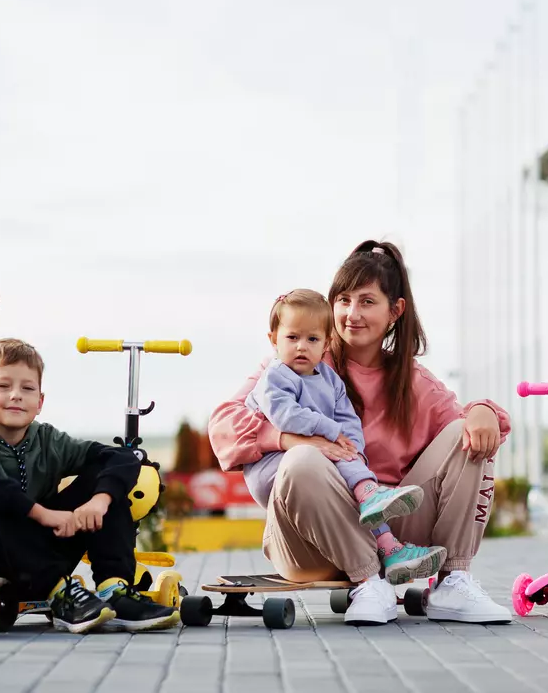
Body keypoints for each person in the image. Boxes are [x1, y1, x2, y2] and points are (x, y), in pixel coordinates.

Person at [209, 240, 513, 626]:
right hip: (308, 542)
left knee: (465, 435)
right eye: (343, 299)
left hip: (392, 537)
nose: (351, 314)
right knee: (304, 459)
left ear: (395, 311)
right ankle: (369, 583)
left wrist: (483, 412)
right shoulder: (293, 364)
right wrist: (289, 440)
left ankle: (454, 581)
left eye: (367, 301)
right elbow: (223, 424)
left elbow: (468, 422)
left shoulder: (413, 381)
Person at [0, 338, 180, 634]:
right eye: (3, 386)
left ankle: (115, 591)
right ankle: (61, 594)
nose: (16, 396)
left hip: (44, 552)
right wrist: (42, 513)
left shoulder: (47, 440)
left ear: (40, 402)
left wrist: (99, 500)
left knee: (106, 477)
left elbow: (120, 457)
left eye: (27, 388)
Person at [244, 287, 447, 583]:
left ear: (326, 343)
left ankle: (388, 542)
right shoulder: (275, 376)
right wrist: (331, 432)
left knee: (353, 487)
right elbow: (285, 415)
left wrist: (353, 451)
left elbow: (347, 420)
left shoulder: (329, 380)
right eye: (292, 338)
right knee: (328, 466)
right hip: (275, 468)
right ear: (274, 339)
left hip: (317, 460)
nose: (302, 346)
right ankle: (371, 513)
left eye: (312, 339)